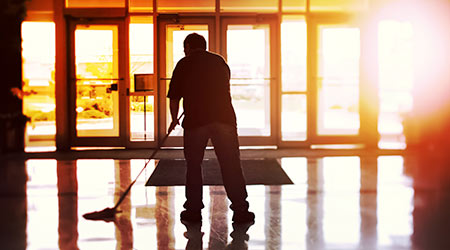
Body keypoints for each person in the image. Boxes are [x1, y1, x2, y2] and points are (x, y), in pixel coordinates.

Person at [167, 33, 254, 223]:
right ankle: (241, 210)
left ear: (189, 46)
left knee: (194, 165)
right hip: (224, 118)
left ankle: (193, 211)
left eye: (185, 48)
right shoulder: (219, 62)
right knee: (231, 164)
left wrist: (174, 119)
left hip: (196, 121)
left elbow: (174, 96)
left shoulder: (184, 63)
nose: (184, 51)